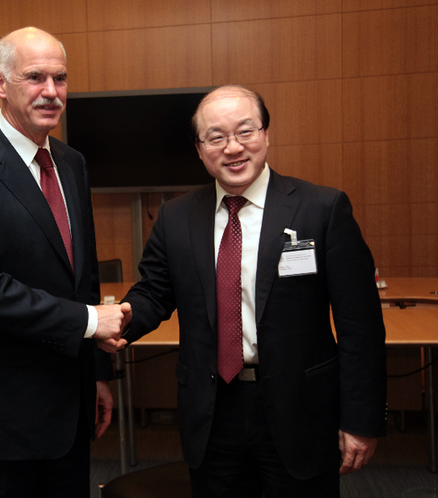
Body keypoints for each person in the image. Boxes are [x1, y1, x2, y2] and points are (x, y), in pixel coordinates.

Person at [119, 85, 386, 497]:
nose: (233, 148)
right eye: (216, 137)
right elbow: (154, 293)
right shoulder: (176, 217)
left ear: (265, 134)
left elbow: (360, 326)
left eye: (246, 131)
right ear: (199, 147)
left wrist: (360, 420)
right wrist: (111, 325)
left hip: (299, 409)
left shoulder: (322, 209)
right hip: (212, 413)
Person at [0, 27, 130, 497]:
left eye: (60, 78)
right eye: (35, 77)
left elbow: (84, 276)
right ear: (0, 83)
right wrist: (85, 322)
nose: (51, 92)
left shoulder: (71, 162)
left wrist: (96, 375)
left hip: (70, 403)